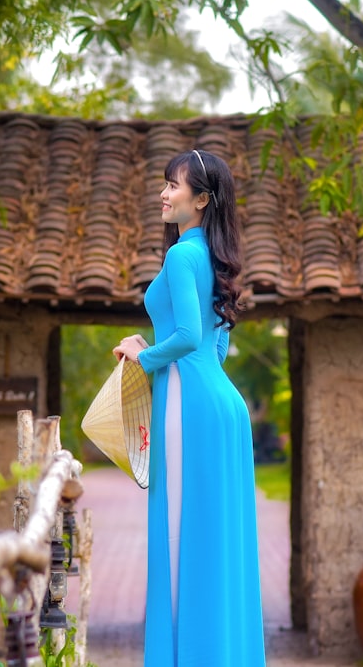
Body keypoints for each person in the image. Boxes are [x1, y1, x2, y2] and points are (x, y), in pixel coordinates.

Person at [113, 149, 266, 666]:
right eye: (165, 184)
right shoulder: (211, 256)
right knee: (216, 540)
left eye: (174, 186)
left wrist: (141, 355)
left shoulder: (181, 256)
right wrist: (159, 350)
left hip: (187, 402)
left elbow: (186, 335)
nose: (163, 193)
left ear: (202, 199)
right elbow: (215, 344)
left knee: (182, 536)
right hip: (220, 400)